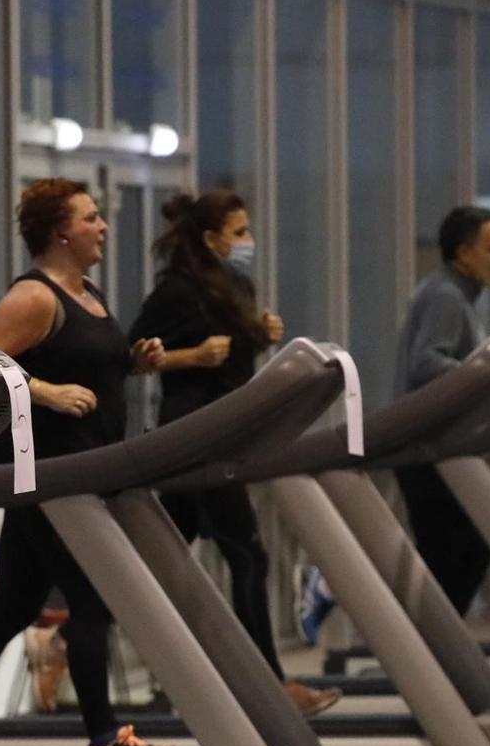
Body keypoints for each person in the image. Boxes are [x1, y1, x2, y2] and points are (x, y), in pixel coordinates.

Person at [0, 178, 175, 746]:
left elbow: (87, 369)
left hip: (81, 476)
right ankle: (104, 738)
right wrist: (45, 392)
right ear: (61, 231)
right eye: (91, 217)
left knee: (13, 607)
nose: (103, 226)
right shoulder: (33, 298)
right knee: (93, 601)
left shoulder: (87, 292)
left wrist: (133, 364)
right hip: (46, 479)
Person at [129, 190, 340, 718]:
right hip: (193, 437)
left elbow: (233, 366)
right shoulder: (175, 293)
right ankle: (266, 683)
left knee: (169, 557)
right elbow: (132, 358)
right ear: (210, 238)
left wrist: (261, 334)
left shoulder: (236, 285)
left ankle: (116, 652)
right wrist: (189, 356)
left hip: (227, 437)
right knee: (247, 554)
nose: (248, 242)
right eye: (239, 232)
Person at [393, 205, 490, 614]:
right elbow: (426, 363)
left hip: (433, 447)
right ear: (463, 254)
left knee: (457, 555)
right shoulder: (446, 296)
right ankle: (429, 658)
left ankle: (434, 657)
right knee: (462, 552)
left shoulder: (452, 295)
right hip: (427, 449)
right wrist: (488, 374)